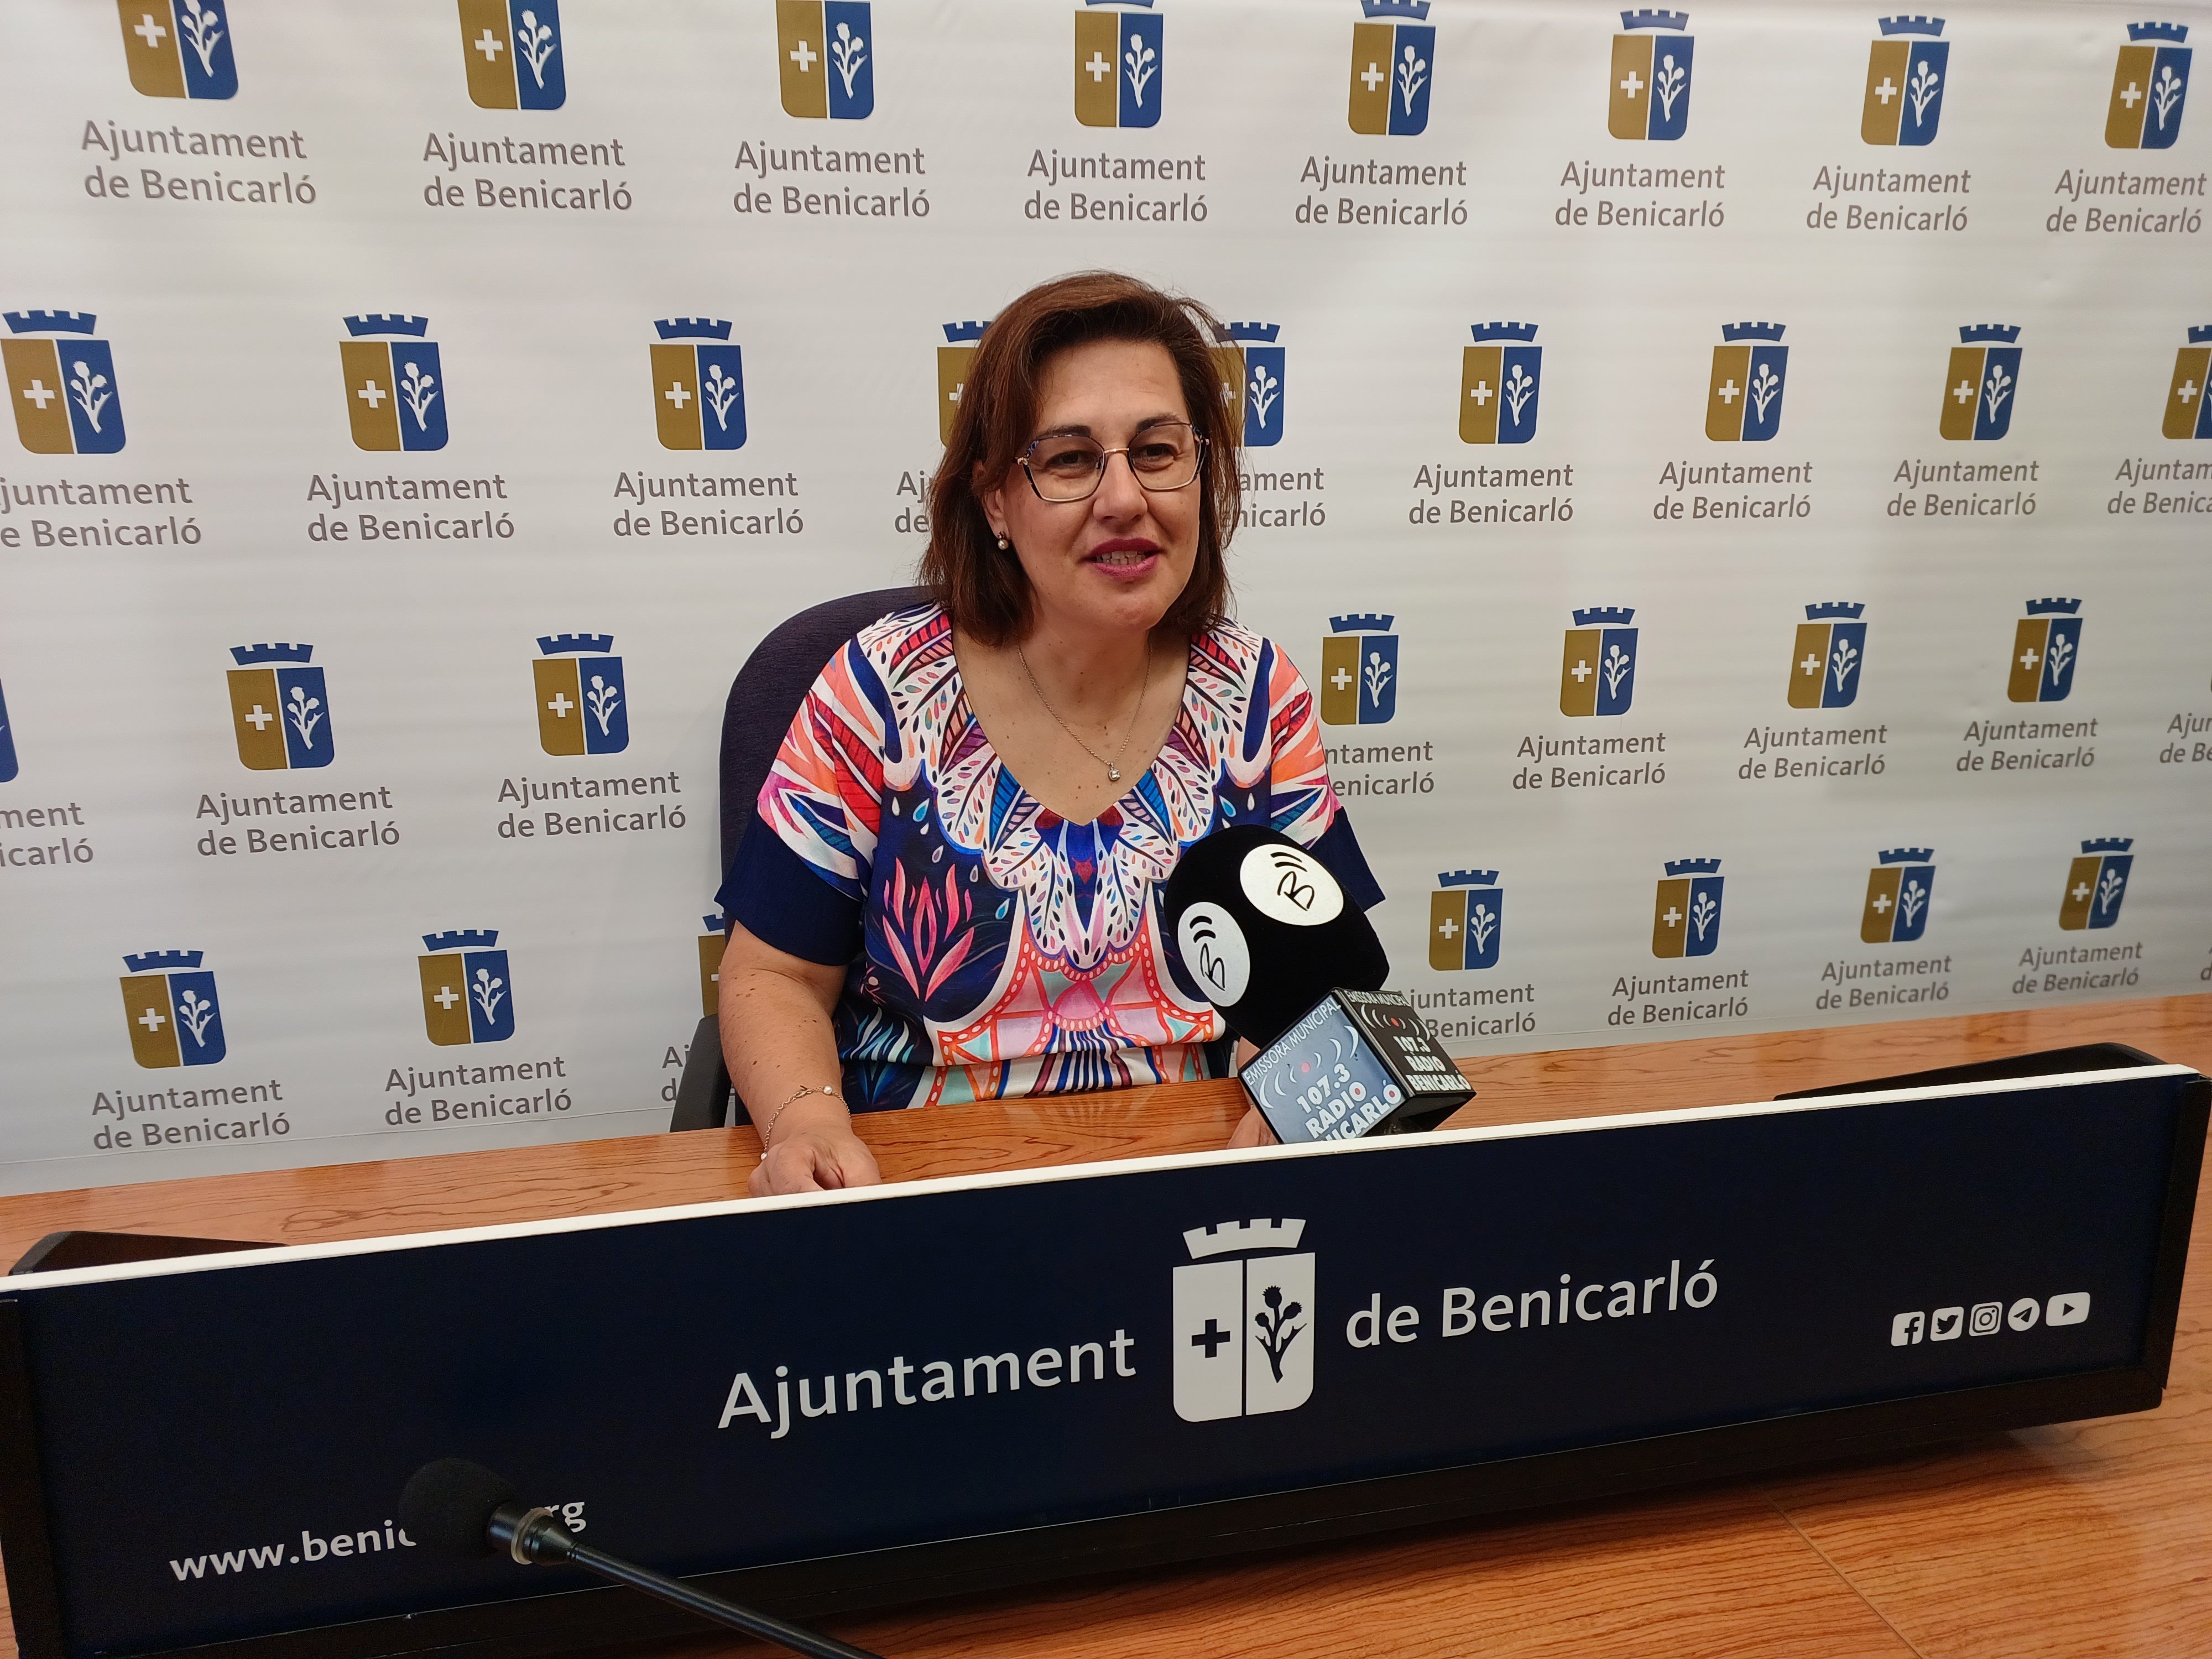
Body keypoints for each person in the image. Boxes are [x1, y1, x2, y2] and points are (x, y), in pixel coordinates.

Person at [716, 271, 1382, 1196]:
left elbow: (1331, 980)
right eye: (1071, 461)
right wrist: (807, 1122)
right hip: (919, 1188)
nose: (1125, 498)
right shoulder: (877, 690)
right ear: (995, 500)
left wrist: (1294, 1093)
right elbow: (772, 976)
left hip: (1198, 1188)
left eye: (1157, 451)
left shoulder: (1258, 693)